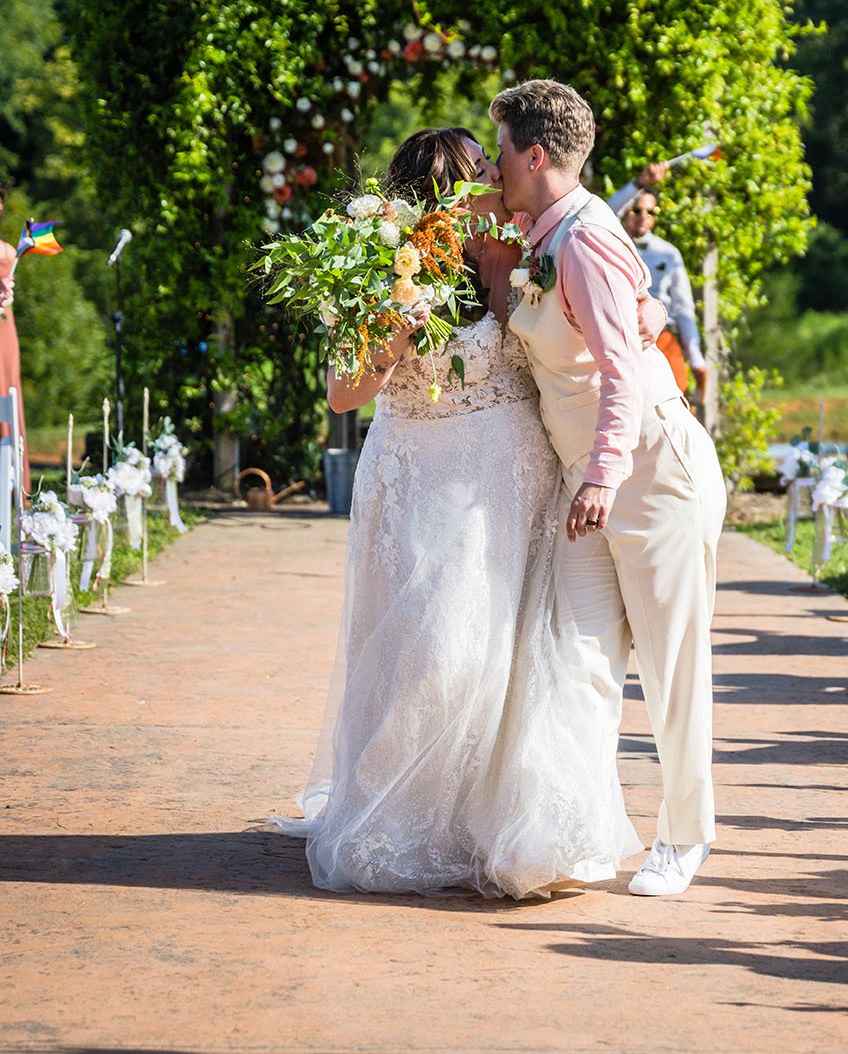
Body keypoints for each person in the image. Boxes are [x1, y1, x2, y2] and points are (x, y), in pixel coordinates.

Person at [275, 128, 644, 899]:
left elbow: (579, 334)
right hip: (425, 481)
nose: (499, 181)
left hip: (516, 479)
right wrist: (405, 302)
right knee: (434, 653)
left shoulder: (525, 252)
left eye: (494, 166)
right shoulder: (384, 261)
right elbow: (345, 394)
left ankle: (504, 827)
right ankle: (410, 818)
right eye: (479, 173)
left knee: (520, 658)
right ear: (440, 192)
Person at [492, 80, 727, 897]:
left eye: (500, 151)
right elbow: (635, 319)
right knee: (577, 655)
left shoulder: (585, 238)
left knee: (670, 665)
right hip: (592, 483)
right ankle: (580, 830)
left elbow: (628, 368)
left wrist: (600, 474)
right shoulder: (550, 234)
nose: (493, 166)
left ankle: (683, 838)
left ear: (534, 155)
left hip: (651, 473)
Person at [609, 163, 708, 397]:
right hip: (622, 335)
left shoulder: (668, 253)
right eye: (637, 210)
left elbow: (684, 308)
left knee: (677, 405)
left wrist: (696, 357)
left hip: (662, 336)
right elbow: (607, 209)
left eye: (651, 212)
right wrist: (639, 183)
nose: (643, 217)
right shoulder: (612, 239)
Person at [0, 185, 30, 498]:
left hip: (3, 328)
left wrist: (6, 294)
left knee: (6, 390)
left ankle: (11, 487)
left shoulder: (8, 251)